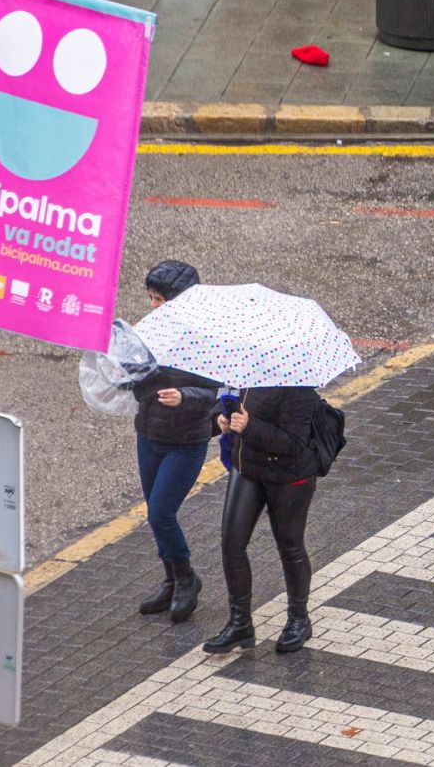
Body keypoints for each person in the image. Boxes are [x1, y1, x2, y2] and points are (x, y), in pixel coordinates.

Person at [202, 385, 321, 655]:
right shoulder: (249, 370)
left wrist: (249, 426)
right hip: (247, 467)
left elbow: (294, 443)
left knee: (290, 545)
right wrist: (220, 418)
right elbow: (231, 401)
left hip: (290, 476)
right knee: (231, 544)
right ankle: (240, 623)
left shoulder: (298, 386)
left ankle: (298, 619)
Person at [132, 261, 219, 623]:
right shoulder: (148, 332)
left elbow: (212, 391)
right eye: (150, 298)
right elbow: (136, 380)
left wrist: (184, 396)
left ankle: (186, 579)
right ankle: (170, 580)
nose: (153, 305)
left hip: (186, 441)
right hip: (149, 434)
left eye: (159, 299)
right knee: (156, 514)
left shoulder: (206, 338)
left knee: (161, 512)